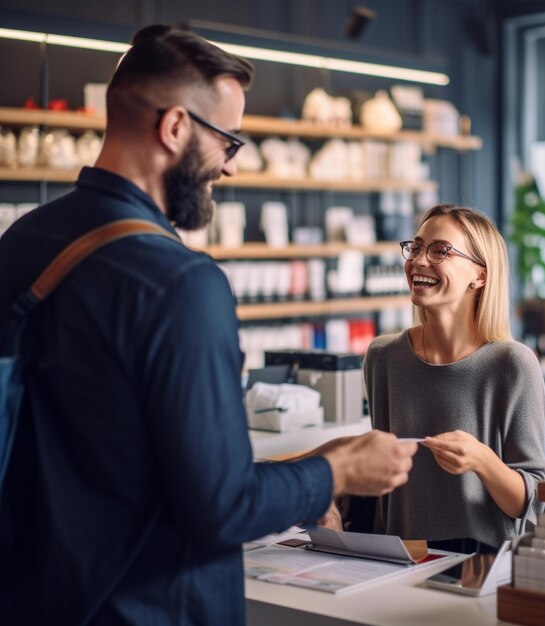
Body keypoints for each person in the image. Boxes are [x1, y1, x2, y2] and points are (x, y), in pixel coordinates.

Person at [0, 25, 417, 626]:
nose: (230, 168)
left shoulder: (22, 241)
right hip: (146, 606)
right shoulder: (180, 283)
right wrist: (341, 471)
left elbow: (123, 462)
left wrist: (311, 465)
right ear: (173, 128)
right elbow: (221, 508)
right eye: (228, 141)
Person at [363, 203, 545, 553]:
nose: (418, 261)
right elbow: (384, 484)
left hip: (483, 568)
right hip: (397, 561)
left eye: (440, 251)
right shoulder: (383, 357)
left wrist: (482, 460)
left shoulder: (513, 364)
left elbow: (534, 501)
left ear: (480, 275)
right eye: (416, 248)